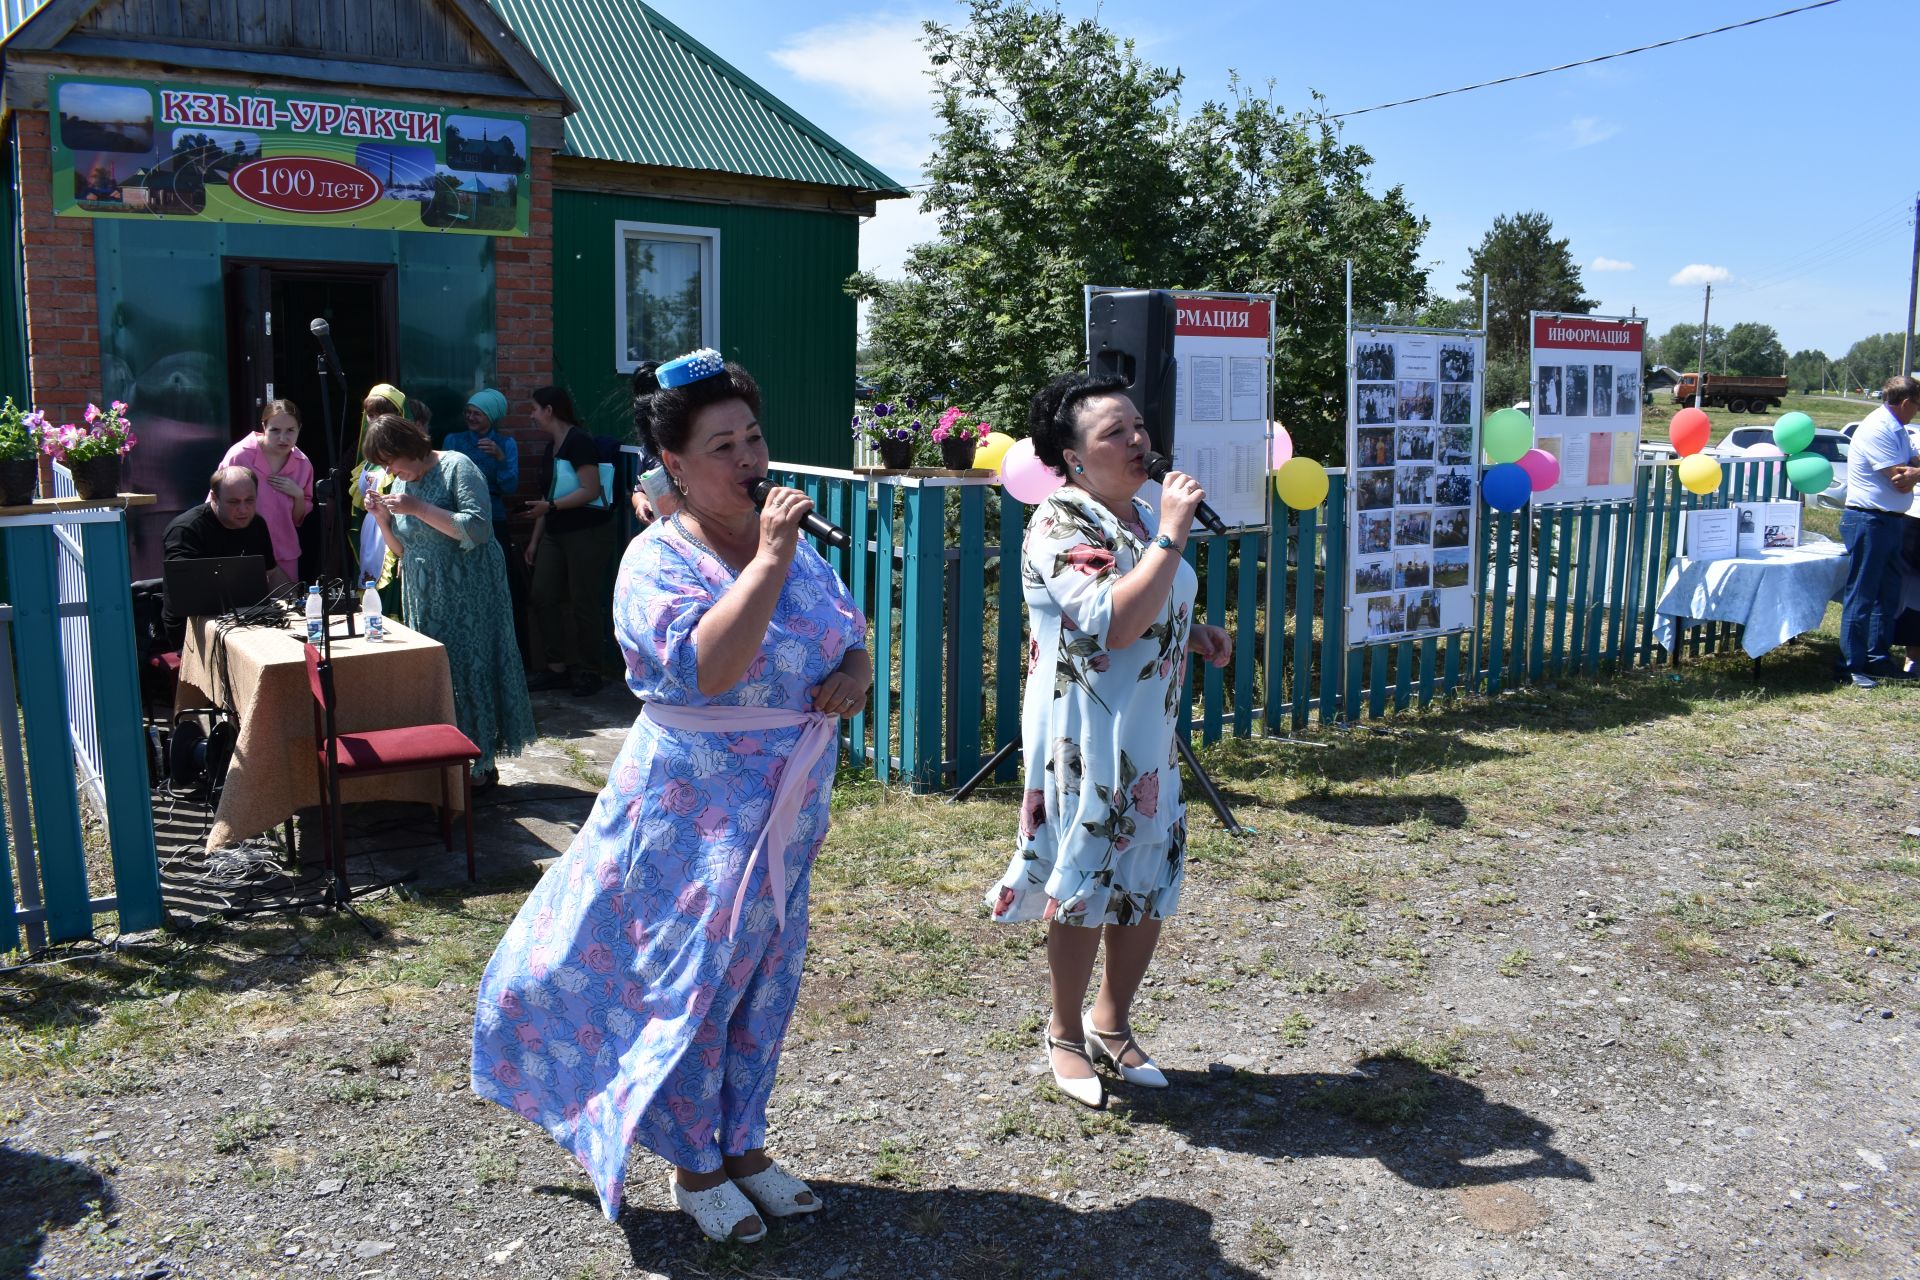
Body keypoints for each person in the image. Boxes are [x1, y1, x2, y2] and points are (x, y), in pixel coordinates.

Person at [471, 350, 870, 1244]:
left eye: (754, 437)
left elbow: (851, 635)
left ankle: (744, 1143)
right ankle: (695, 1166)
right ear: (674, 467)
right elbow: (710, 669)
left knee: (764, 983)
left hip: (785, 813)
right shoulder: (657, 559)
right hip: (694, 819)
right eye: (722, 445)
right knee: (693, 984)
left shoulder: (796, 550)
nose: (748, 459)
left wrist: (852, 671)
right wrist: (767, 562)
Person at [983, 374, 1231, 1110]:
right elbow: (1109, 621)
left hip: (1147, 727)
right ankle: (1063, 1031)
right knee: (1086, 878)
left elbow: (1151, 612)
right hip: (1084, 734)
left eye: (1138, 426)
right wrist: (1173, 534)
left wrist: (1197, 636)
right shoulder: (1061, 520)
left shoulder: (1139, 516)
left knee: (1149, 873)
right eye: (1114, 432)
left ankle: (1111, 1022)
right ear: (1073, 456)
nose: (1137, 441)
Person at [362, 414, 534, 789]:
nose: (389, 471)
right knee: (440, 674)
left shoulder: (458, 465)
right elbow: (404, 550)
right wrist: (382, 519)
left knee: (469, 669)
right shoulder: (405, 482)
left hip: (468, 592)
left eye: (391, 462)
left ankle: (479, 764)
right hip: (425, 595)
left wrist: (419, 508)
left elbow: (477, 527)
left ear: (408, 448)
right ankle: (448, 759)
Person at [522, 385, 614, 696]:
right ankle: (556, 667)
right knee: (542, 595)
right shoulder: (552, 447)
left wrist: (551, 508)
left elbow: (589, 490)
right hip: (554, 531)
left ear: (549, 410)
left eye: (534, 409)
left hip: (586, 532)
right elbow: (548, 496)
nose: (532, 416)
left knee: (583, 601)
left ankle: (590, 670)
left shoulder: (579, 442)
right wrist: (535, 541)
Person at [1839, 375, 1920, 688]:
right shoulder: (1877, 427)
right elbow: (1899, 476)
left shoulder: (1897, 428)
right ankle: (1849, 665)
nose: (1917, 411)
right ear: (1904, 403)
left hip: (1889, 520)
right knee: (1862, 594)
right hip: (1868, 519)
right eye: (1916, 405)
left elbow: (1912, 462)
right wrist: (1914, 471)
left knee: (1887, 596)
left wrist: (1914, 468)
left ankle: (1877, 658)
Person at [445, 388, 528, 661]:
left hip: (494, 518)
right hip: (460, 518)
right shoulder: (453, 440)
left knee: (496, 580)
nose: (470, 417)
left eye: (477, 413)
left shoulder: (505, 444)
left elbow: (510, 486)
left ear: (490, 416)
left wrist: (501, 459)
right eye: (468, 412)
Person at [160, 466, 287, 645]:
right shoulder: (186, 530)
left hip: (244, 619)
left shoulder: (256, 524)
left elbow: (272, 572)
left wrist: (300, 601)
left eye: (250, 500)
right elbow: (184, 593)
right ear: (214, 497)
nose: (243, 509)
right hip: (193, 627)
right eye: (234, 502)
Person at [215, 398, 313, 585]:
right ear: (263, 426)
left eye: (290, 430)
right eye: (275, 430)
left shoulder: (303, 464)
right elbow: (216, 503)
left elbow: (297, 520)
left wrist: (298, 495)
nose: (283, 438)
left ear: (299, 428)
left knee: (288, 610)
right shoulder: (240, 455)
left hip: (284, 553)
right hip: (242, 551)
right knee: (243, 610)